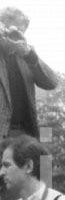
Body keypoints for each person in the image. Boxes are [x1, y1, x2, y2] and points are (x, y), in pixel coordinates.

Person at [0, 7, 58, 139]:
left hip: (24, 133)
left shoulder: (25, 54)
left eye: (22, 32)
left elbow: (52, 83)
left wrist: (29, 55)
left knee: (43, 158)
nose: (18, 36)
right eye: (15, 30)